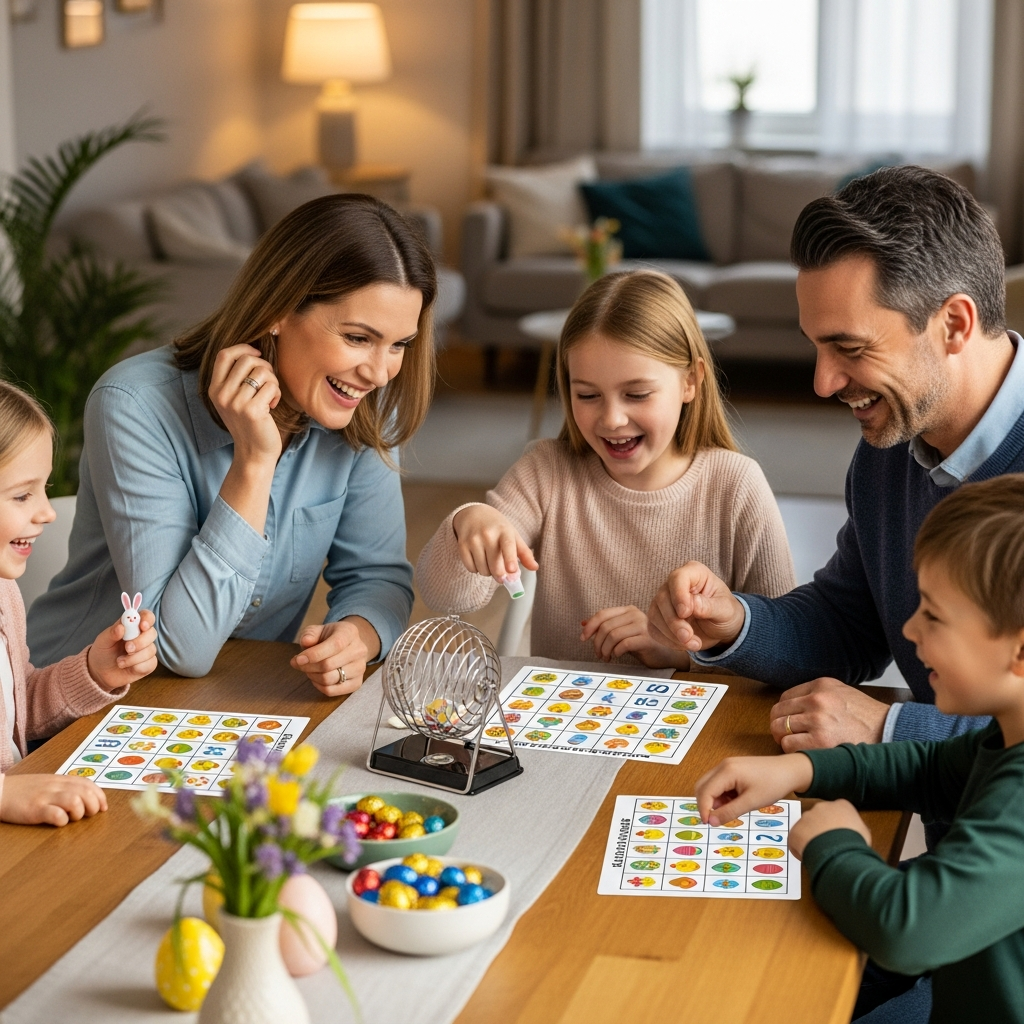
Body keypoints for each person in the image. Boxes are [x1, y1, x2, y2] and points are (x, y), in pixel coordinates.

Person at [647, 166, 1022, 750]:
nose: (823, 383)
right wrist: (738, 625)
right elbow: (852, 622)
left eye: (850, 348)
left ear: (954, 324)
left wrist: (889, 728)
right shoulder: (893, 444)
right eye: (817, 347)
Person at [28, 194, 435, 694]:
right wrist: (255, 461)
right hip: (76, 709)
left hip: (231, 701)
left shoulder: (363, 405)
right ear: (279, 309)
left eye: (399, 344)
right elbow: (180, 649)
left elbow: (377, 577)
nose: (378, 372)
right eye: (357, 337)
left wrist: (358, 635)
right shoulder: (133, 405)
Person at [695, 474, 1024, 1024]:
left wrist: (837, 845)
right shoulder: (1007, 736)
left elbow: (908, 928)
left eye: (934, 616)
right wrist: (802, 769)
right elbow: (928, 768)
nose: (910, 631)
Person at [416, 270, 795, 666]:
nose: (612, 419)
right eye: (588, 395)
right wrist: (468, 521)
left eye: (636, 394)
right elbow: (448, 596)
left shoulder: (736, 485)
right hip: (563, 720)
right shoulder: (546, 472)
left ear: (691, 382)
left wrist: (680, 654)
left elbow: (783, 646)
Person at [0, 382, 158, 826]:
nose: (47, 511)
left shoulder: (3, 594)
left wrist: (95, 671)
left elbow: (17, 714)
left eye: (43, 489)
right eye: (21, 495)